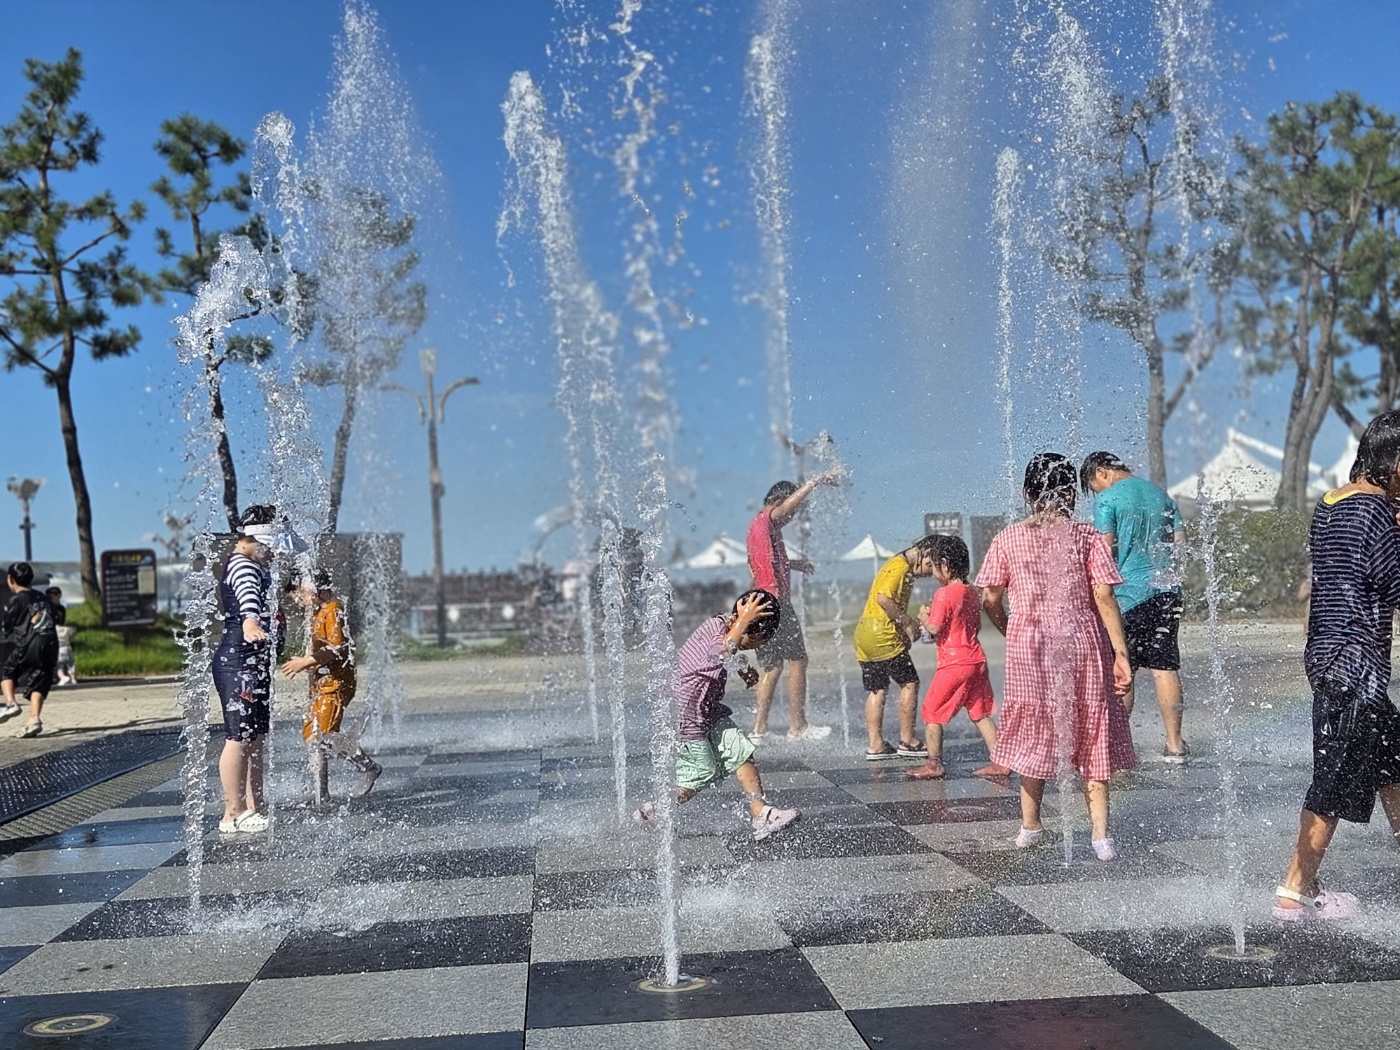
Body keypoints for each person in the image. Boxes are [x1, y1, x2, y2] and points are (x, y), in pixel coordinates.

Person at [1274, 411, 1400, 922]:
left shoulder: (1331, 503)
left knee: (1393, 761)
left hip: (1329, 654)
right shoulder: (1374, 511)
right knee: (1332, 776)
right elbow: (1394, 584)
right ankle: (1295, 890)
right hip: (1356, 664)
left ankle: (1301, 886)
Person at [977, 453, 1135, 861]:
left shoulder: (1007, 538)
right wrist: (1120, 653)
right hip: (1082, 640)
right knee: (1092, 722)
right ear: (1072, 494)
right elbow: (1103, 594)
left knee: (1035, 724)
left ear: (1027, 493)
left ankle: (1030, 826)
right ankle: (1100, 836)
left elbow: (990, 597)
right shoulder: (1086, 536)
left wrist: (1010, 627)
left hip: (1029, 645)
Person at [634, 589, 801, 841]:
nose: (754, 647)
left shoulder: (724, 628)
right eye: (756, 642)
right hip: (688, 714)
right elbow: (721, 651)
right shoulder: (717, 629)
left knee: (740, 751)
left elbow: (726, 653)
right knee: (702, 771)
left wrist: (743, 667)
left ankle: (760, 813)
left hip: (708, 709)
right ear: (741, 623)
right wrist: (745, 620)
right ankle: (654, 811)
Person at [1080, 451, 1189, 761]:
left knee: (1122, 667)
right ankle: (1175, 744)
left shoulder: (1109, 499)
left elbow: (1105, 547)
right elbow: (1181, 543)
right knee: (1165, 666)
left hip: (1127, 595)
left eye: (1094, 487)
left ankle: (1116, 745)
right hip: (1166, 591)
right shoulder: (1160, 494)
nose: (1097, 493)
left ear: (1101, 472)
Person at [745, 473, 842, 742]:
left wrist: (795, 565)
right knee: (798, 660)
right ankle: (798, 727)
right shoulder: (769, 520)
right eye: (791, 512)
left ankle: (759, 730)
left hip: (760, 604)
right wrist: (815, 481)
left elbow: (760, 565)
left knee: (772, 667)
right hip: (777, 603)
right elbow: (784, 509)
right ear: (778, 502)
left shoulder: (756, 529)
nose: (791, 518)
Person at [907, 534, 1010, 780]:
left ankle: (933, 764)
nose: (933, 572)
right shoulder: (972, 591)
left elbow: (934, 629)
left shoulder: (944, 594)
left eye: (934, 566)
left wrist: (923, 616)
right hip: (976, 659)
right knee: (980, 712)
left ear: (945, 564)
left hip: (954, 663)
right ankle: (1001, 762)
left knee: (931, 710)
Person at [282, 569, 382, 805]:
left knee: (324, 735)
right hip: (323, 684)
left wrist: (306, 661)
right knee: (312, 736)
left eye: (299, 596)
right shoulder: (319, 611)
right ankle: (320, 790)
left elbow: (338, 649)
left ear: (314, 589)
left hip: (336, 684)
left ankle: (368, 767)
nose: (298, 602)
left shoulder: (333, 610)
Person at [213, 506, 278, 835]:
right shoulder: (243, 565)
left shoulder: (254, 563)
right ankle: (233, 812)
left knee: (255, 737)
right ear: (253, 540)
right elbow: (247, 596)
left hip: (252, 659)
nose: (275, 553)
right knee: (239, 737)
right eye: (271, 546)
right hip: (238, 659)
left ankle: (254, 805)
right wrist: (251, 622)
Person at [855, 536, 938, 760]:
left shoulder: (895, 565)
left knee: (877, 688)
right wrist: (908, 623)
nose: (929, 572)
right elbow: (883, 599)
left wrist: (902, 632)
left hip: (864, 634)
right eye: (930, 565)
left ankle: (875, 745)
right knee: (909, 682)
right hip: (882, 635)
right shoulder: (900, 567)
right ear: (924, 553)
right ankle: (908, 740)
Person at [0, 563, 60, 737]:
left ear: (10, 579)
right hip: (50, 643)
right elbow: (54, 617)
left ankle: (11, 704)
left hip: (28, 643)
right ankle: (34, 719)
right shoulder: (43, 597)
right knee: (40, 680)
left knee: (7, 671)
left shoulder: (17, 600)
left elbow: (6, 626)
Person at [46, 587, 76, 687]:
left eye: (51, 597)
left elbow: (59, 621)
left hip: (58, 633)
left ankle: (63, 676)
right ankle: (70, 678)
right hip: (58, 634)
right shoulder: (50, 607)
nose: (49, 599)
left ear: (58, 596)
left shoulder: (59, 609)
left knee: (60, 659)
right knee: (66, 659)